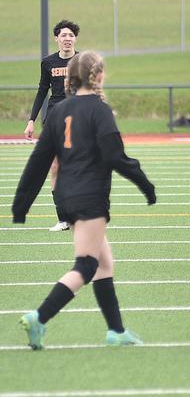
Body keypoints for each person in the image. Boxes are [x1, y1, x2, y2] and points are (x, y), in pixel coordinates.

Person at [12, 51, 156, 349]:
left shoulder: (59, 111)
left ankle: (116, 331)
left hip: (67, 195)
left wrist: (21, 203)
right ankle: (39, 317)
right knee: (87, 265)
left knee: (104, 263)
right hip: (90, 196)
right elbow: (115, 155)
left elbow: (39, 161)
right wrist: (146, 184)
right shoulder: (99, 109)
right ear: (98, 76)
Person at [25, 20, 80, 232]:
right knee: (56, 167)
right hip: (54, 119)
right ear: (56, 38)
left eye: (71, 35)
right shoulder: (48, 62)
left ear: (75, 39)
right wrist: (31, 120)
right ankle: (63, 218)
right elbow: (41, 91)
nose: (67, 38)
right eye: (63, 35)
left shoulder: (82, 61)